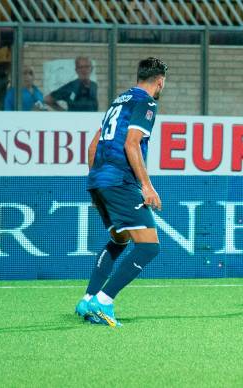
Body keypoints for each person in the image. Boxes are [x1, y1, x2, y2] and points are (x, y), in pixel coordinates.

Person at [74, 57, 168, 327]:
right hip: (120, 181)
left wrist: (96, 184)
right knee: (149, 247)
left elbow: (93, 146)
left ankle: (88, 298)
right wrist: (147, 186)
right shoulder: (146, 103)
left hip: (100, 179)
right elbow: (132, 143)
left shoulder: (119, 101)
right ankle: (103, 301)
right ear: (160, 81)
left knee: (119, 240)